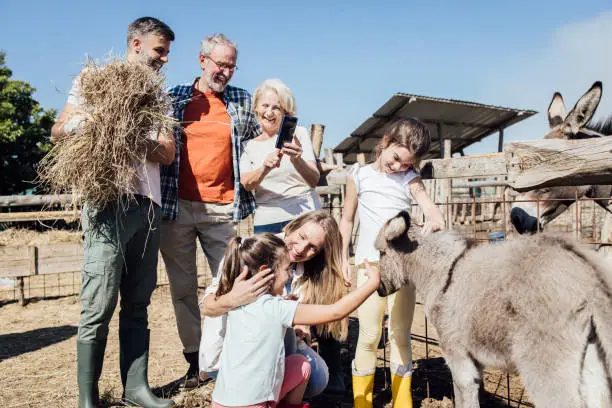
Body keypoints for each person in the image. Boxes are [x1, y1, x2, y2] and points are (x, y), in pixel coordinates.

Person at [50, 17, 176, 408]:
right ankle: (87, 396)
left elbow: (167, 153)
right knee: (98, 304)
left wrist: (131, 134)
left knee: (138, 303)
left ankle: (136, 389)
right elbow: (58, 130)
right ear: (136, 44)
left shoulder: (159, 96)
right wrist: (96, 124)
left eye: (167, 53)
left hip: (148, 207)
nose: (163, 60)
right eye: (159, 50)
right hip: (107, 203)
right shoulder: (95, 79)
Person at [159, 33, 261, 389]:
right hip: (177, 208)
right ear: (202, 61)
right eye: (220, 64)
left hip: (223, 209)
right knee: (183, 288)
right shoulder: (173, 98)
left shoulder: (242, 101)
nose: (226, 72)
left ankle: (229, 358)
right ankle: (194, 362)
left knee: (231, 283)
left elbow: (260, 141)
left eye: (231, 66)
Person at [339, 118, 444, 408]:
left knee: (400, 333)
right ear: (386, 142)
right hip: (369, 264)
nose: (398, 167)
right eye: (396, 158)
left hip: (402, 268)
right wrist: (341, 256)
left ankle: (402, 401)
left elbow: (423, 199)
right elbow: (347, 219)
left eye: (406, 164)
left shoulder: (408, 178)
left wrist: (433, 215)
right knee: (370, 334)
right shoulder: (359, 174)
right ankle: (362, 401)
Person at [211, 233, 381, 408]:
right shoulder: (275, 308)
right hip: (253, 405)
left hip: (220, 401)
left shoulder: (236, 300)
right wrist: (372, 283)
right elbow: (336, 311)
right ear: (264, 272)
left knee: (300, 365)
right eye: (286, 269)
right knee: (300, 365)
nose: (290, 275)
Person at [201, 210, 347, 398]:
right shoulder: (252, 252)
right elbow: (207, 307)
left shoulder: (307, 271)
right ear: (293, 226)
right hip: (231, 356)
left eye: (313, 248)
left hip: (267, 349)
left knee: (317, 376)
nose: (302, 248)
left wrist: (300, 327)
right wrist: (232, 299)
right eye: (302, 237)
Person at [240, 79, 321, 234]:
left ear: (286, 112)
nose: (269, 112)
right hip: (267, 223)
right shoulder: (247, 146)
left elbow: (313, 180)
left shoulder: (299, 134)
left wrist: (297, 160)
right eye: (265, 106)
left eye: (276, 107)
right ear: (256, 108)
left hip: (304, 218)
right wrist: (264, 168)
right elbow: (246, 183)